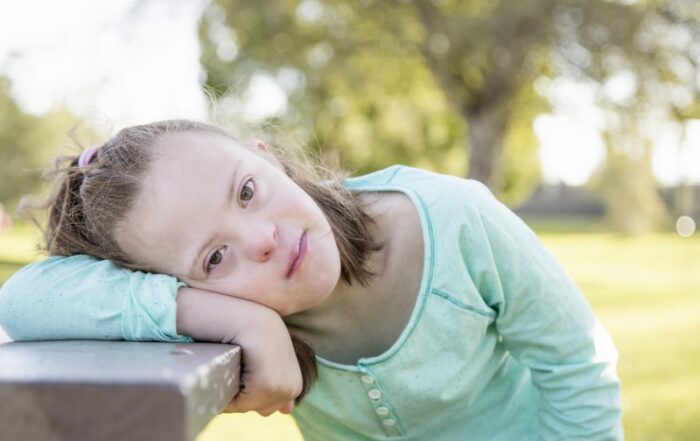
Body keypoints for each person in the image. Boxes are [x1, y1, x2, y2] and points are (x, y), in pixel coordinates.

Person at [0, 119, 623, 440]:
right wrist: (231, 318)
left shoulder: (456, 221)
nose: (262, 238)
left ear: (266, 157)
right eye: (215, 259)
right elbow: (24, 300)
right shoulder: (239, 309)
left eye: (247, 191)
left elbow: (577, 365)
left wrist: (230, 302)